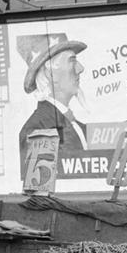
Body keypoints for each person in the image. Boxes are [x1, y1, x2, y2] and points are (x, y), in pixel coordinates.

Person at [17, 34, 89, 178]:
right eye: (72, 61)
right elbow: (40, 188)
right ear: (51, 74)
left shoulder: (75, 125)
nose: (81, 68)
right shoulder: (38, 128)